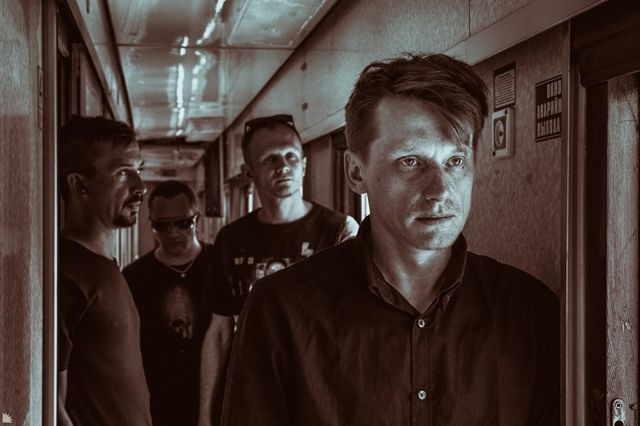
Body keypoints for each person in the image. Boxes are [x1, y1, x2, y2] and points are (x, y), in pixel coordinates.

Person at [220, 54, 560, 425]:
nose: (440, 191)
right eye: (410, 161)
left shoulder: (528, 311)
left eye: (455, 161)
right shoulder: (280, 311)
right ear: (356, 172)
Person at [199, 114, 359, 425]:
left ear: (304, 165)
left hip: (320, 392)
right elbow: (218, 334)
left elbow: (355, 329)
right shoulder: (231, 239)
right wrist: (205, 417)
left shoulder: (339, 232)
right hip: (252, 391)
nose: (283, 166)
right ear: (250, 172)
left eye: (290, 156)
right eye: (270, 159)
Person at [57, 116, 151, 425]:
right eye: (123, 173)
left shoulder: (104, 267)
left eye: (139, 170)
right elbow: (53, 407)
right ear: (79, 184)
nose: (141, 187)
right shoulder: (65, 275)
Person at [123, 180, 214, 426]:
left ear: (197, 219)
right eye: (162, 226)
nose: (173, 233)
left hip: (214, 399)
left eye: (183, 223)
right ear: (151, 224)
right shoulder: (133, 278)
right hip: (156, 404)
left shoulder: (218, 265)